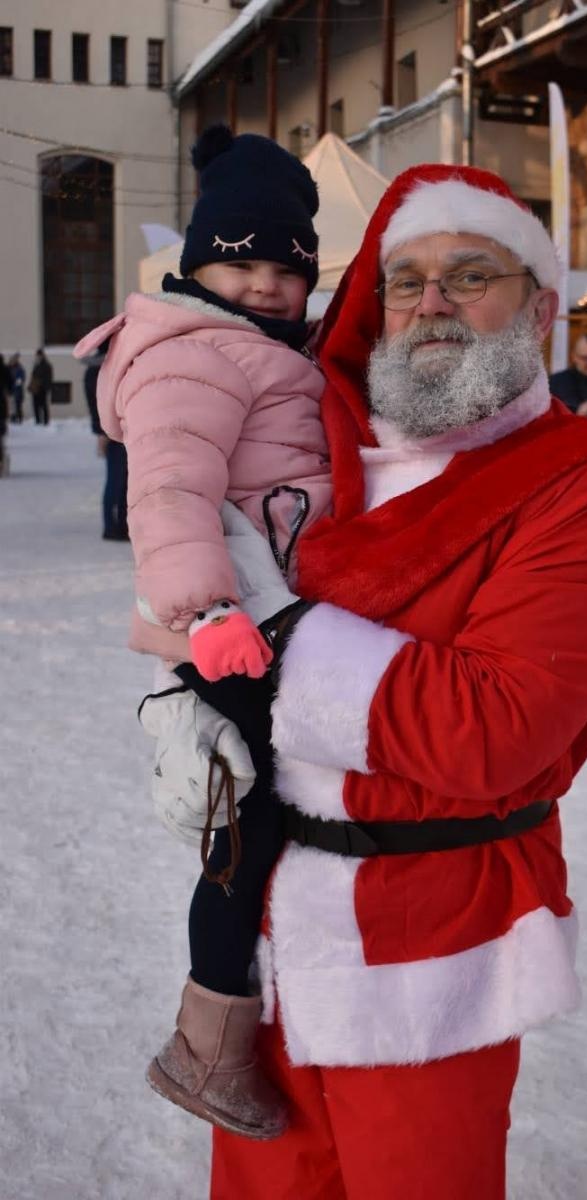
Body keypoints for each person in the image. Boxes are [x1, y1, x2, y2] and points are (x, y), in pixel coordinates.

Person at [139, 163, 587, 1199]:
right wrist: (180, 705)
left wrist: (266, 641)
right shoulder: (312, 448)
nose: (430, 301)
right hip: (269, 949)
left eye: (469, 273)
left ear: (540, 307)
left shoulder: (584, 486)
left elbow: (495, 728)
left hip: (432, 954)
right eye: (403, 279)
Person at [72, 124, 332, 1140]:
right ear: (196, 265)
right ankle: (209, 1049)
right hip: (233, 626)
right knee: (247, 828)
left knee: (262, 820)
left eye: (285, 270)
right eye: (240, 263)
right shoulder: (196, 355)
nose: (265, 286)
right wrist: (209, 618)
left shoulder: (252, 348)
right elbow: (171, 494)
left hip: (262, 616)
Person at [83, 347, 129, 540]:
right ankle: (112, 527)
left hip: (115, 430)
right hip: (111, 432)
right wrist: (103, 431)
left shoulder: (100, 371)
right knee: (116, 481)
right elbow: (99, 405)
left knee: (122, 481)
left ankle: (120, 525)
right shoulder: (99, 373)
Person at [28, 348, 53, 425]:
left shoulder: (46, 365)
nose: (38, 357)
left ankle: (45, 421)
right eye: (37, 355)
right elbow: (33, 376)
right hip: (36, 388)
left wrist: (45, 386)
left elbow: (48, 377)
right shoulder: (36, 365)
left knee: (43, 405)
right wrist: (31, 385)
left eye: (39, 355)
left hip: (42, 388)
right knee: (35, 405)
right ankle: (38, 420)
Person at [8, 353, 25, 423]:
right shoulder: (8, 368)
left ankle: (19, 417)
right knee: (11, 405)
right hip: (10, 389)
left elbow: (21, 378)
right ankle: (13, 417)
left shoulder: (20, 368)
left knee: (18, 405)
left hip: (17, 390)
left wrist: (16, 384)